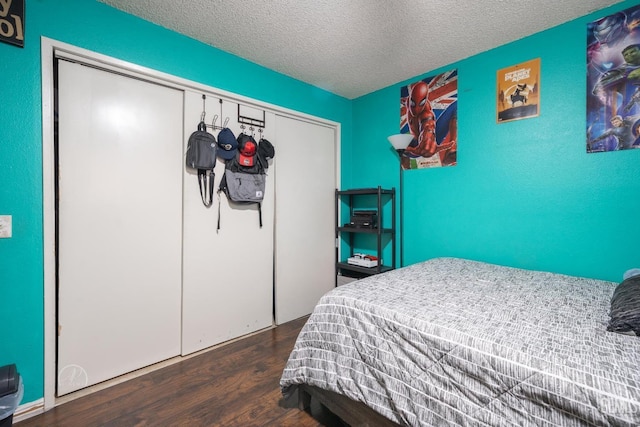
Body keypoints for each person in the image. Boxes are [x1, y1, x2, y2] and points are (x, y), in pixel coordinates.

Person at [404, 81, 456, 160]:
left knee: (455, 105)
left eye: (421, 103)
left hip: (423, 148)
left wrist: (428, 137)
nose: (416, 109)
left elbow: (428, 125)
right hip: (414, 147)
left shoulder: (426, 113)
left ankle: (452, 148)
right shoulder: (408, 101)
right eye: (413, 103)